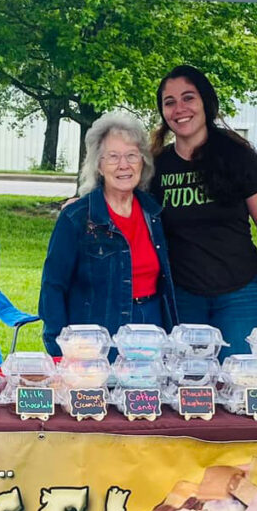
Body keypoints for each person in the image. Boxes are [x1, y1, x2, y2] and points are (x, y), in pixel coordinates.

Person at [150, 64, 257, 357]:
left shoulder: (239, 157)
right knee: (189, 383)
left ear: (205, 102)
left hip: (238, 294)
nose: (179, 109)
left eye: (188, 98)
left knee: (238, 381)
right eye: (169, 102)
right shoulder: (156, 166)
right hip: (182, 296)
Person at [39, 112, 177, 357]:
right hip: (96, 334)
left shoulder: (154, 213)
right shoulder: (77, 217)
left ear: (143, 161)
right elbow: (53, 286)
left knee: (146, 395)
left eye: (131, 155)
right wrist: (58, 348)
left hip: (151, 330)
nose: (123, 165)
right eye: (112, 157)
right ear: (99, 165)